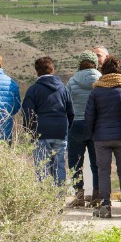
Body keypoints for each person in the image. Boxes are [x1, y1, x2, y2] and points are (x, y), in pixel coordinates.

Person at [84, 55, 121, 218]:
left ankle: (105, 206)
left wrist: (94, 133)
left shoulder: (96, 91)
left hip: (101, 137)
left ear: (103, 71)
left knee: (104, 172)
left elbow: (89, 116)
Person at [24, 56, 74, 186]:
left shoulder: (33, 89)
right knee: (60, 166)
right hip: (60, 131)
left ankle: (45, 199)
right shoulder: (63, 89)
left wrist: (30, 132)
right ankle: (59, 198)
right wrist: (66, 128)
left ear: (37, 71)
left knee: (42, 167)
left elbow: (28, 113)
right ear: (52, 70)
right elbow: (71, 112)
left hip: (41, 132)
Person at [66, 51, 102, 208]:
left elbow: (66, 103)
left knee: (75, 163)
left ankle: (79, 195)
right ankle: (96, 196)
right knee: (97, 163)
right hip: (95, 125)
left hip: (76, 125)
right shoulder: (101, 80)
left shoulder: (72, 81)